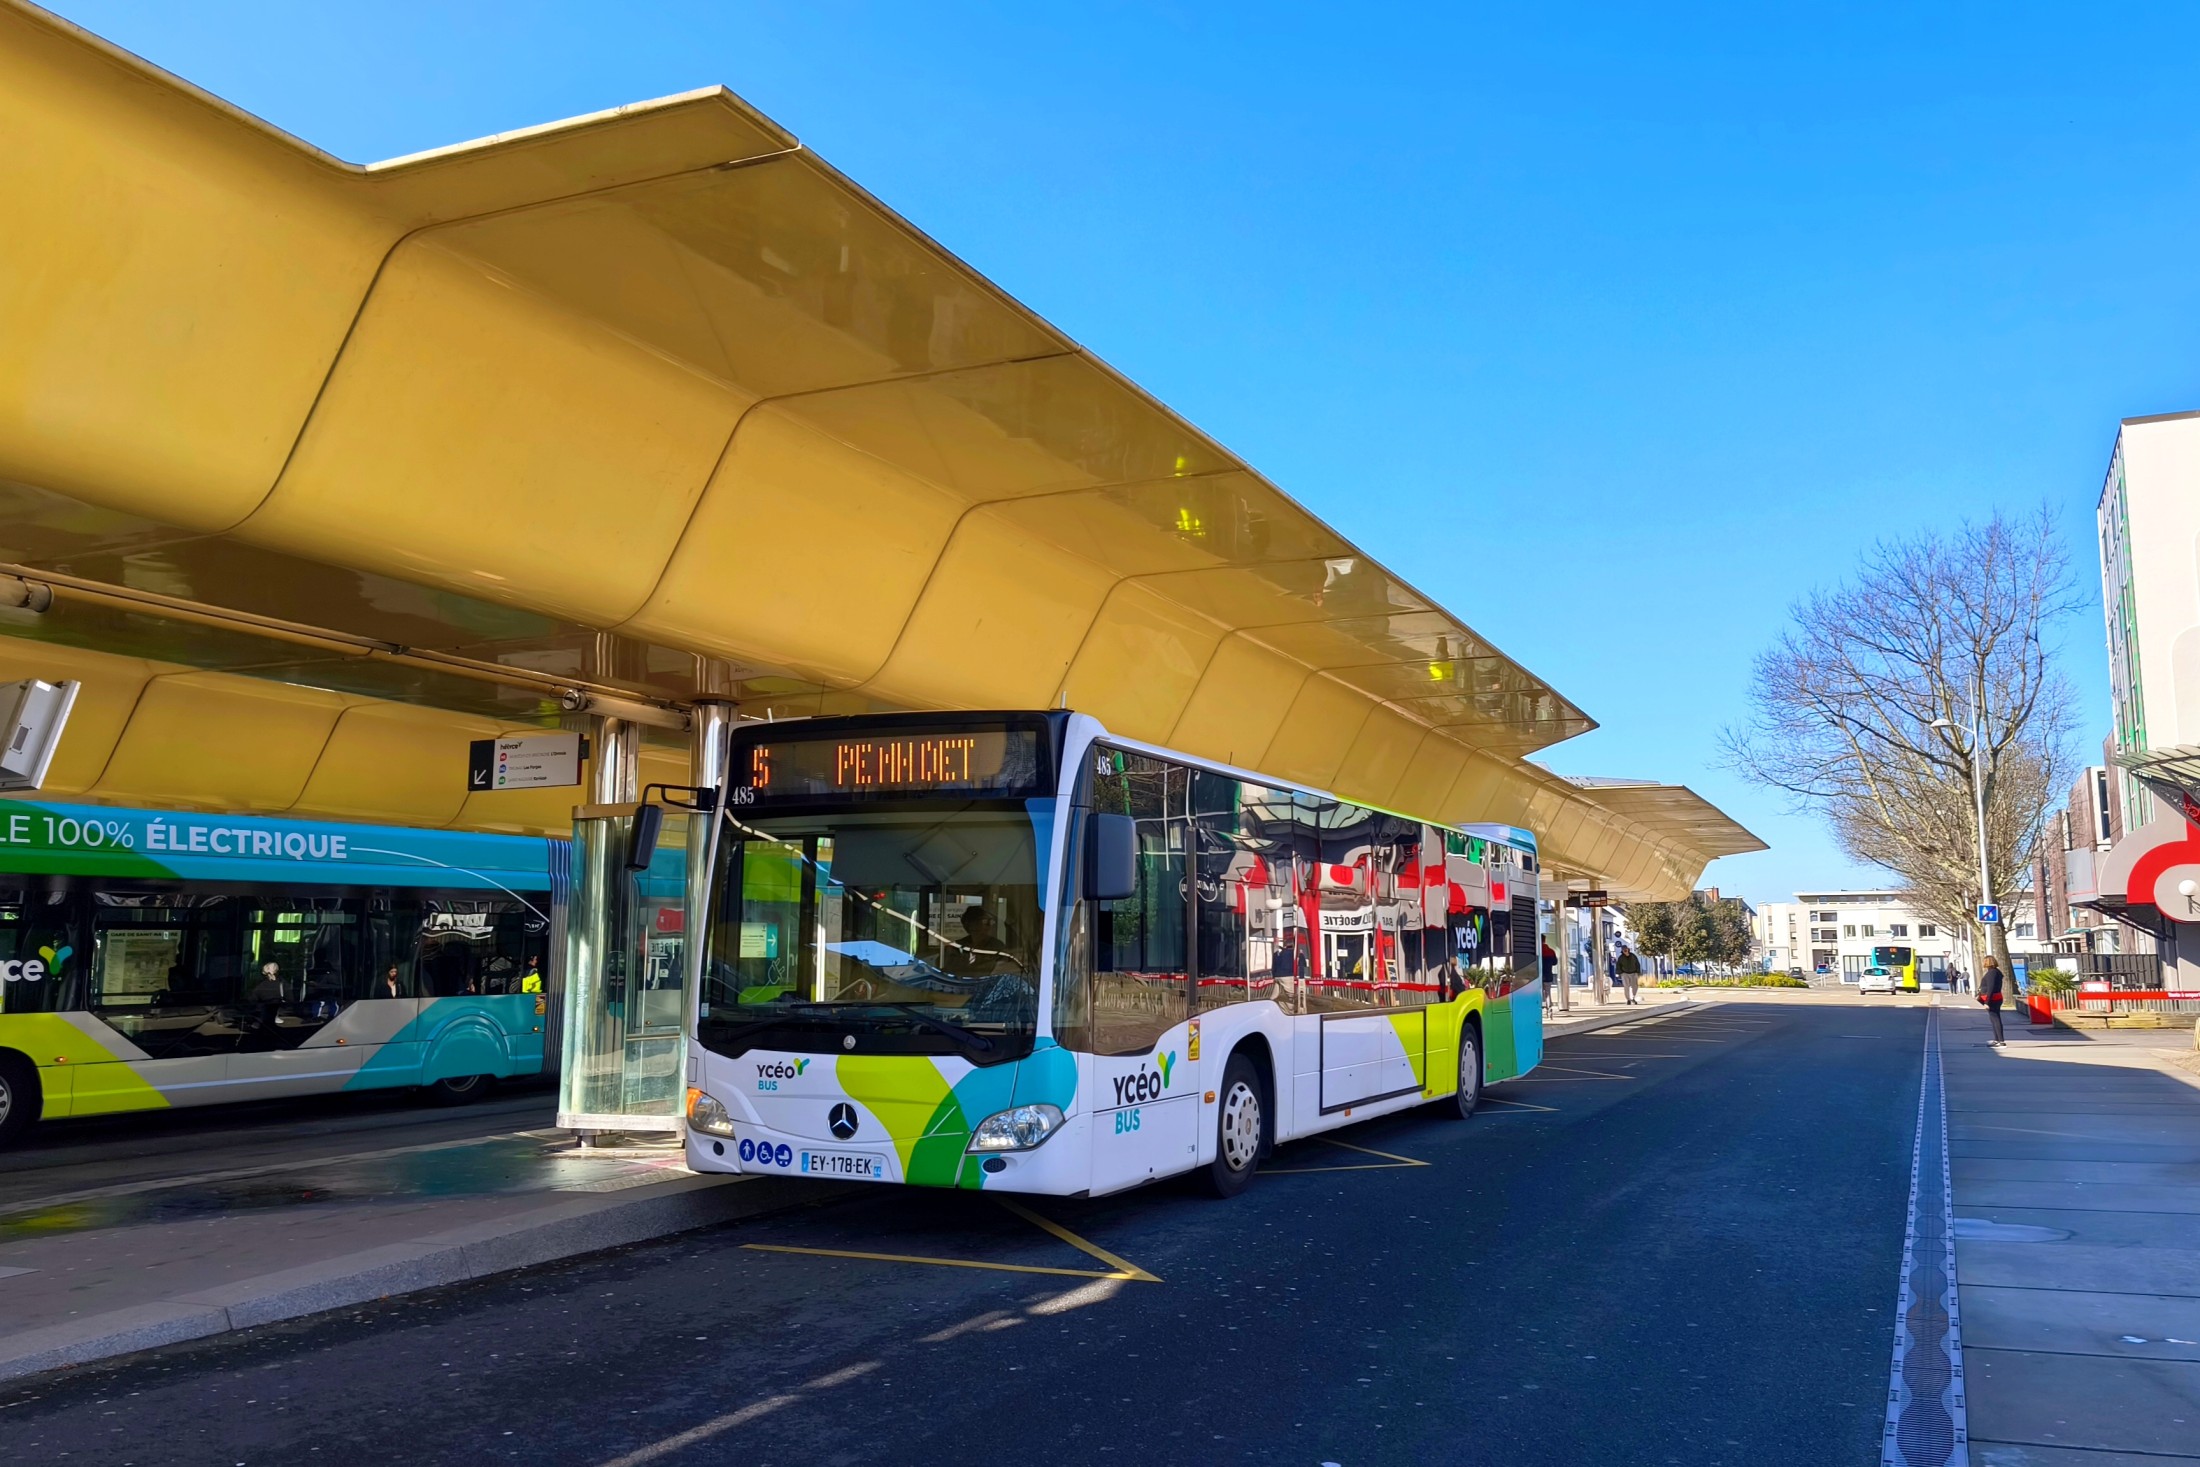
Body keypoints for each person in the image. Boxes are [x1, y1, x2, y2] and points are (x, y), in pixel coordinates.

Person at [1977, 954, 2006, 1046]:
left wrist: (1987, 1002)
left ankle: (2000, 1040)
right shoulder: (1996, 972)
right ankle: (1997, 1039)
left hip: (1992, 999)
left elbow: (1991, 987)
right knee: (1994, 1018)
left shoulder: (1991, 973)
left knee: (1995, 1018)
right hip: (1996, 997)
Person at [1541, 939, 1559, 1013]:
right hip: (1548, 975)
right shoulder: (1551, 951)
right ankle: (1549, 1007)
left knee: (1540, 992)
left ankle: (1542, 1007)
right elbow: (1555, 962)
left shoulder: (1538, 951)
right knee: (1547, 992)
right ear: (1545, 940)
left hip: (1538, 976)